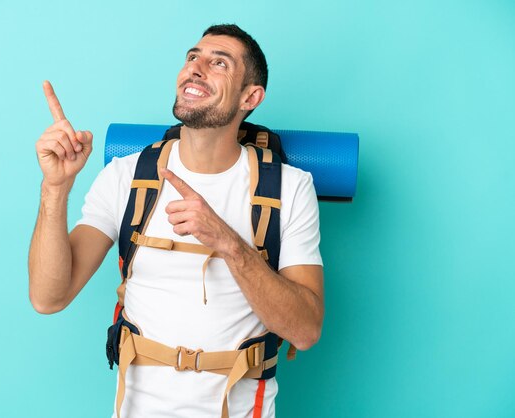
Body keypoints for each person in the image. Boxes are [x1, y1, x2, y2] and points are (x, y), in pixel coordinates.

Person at [29, 24, 324, 418]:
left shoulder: (290, 187)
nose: (196, 68)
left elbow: (305, 331)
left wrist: (229, 243)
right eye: (192, 57)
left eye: (219, 63)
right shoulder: (125, 176)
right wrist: (55, 188)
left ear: (250, 97)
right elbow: (48, 297)